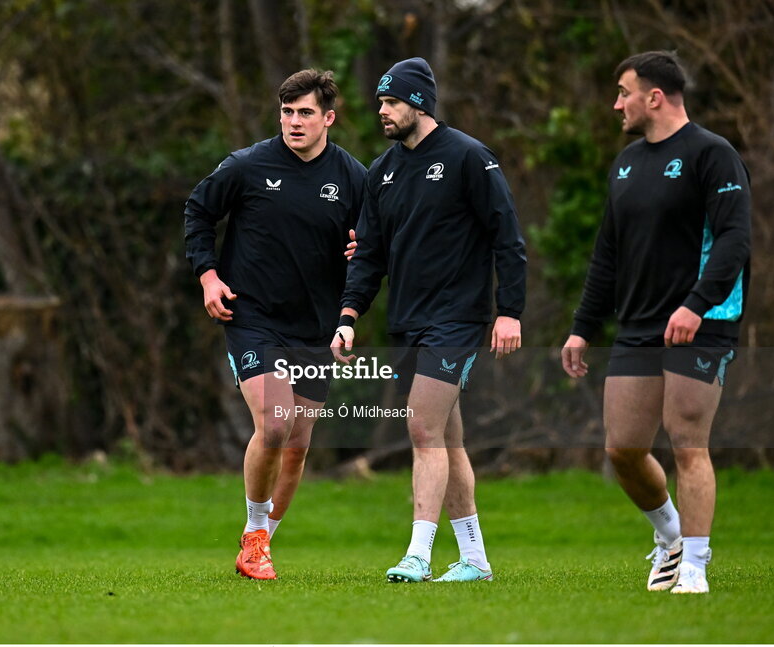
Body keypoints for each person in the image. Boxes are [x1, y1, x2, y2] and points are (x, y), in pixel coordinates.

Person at [561, 51, 751, 594]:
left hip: (705, 319)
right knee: (622, 447)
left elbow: (735, 239)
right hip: (639, 327)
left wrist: (696, 303)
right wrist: (583, 327)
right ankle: (671, 537)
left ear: (655, 96)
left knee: (688, 441)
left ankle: (694, 566)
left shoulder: (712, 155)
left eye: (623, 92)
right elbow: (607, 256)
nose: (616, 103)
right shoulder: (624, 163)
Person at [332, 57, 527, 583]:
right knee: (446, 438)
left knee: (420, 425)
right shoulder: (383, 172)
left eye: (391, 102)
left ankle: (418, 552)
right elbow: (368, 252)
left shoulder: (468, 157)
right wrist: (350, 314)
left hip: (458, 319)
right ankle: (475, 561)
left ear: (418, 103)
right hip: (408, 321)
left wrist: (508, 311)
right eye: (380, 102)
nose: (382, 112)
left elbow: (507, 237)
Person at [185, 70, 366, 580]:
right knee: (276, 423)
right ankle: (254, 532)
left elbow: (375, 244)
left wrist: (363, 250)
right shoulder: (247, 165)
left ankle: (260, 541)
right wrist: (208, 278)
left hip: (314, 325)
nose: (293, 122)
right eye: (286, 112)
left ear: (328, 118)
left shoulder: (354, 177)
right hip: (252, 316)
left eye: (305, 112)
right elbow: (198, 212)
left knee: (298, 443)